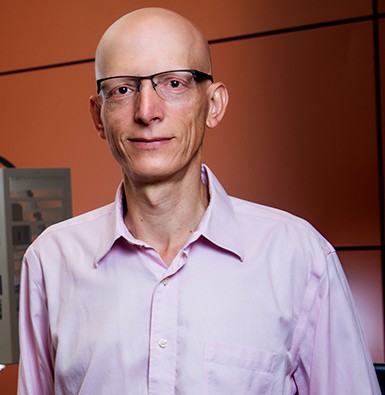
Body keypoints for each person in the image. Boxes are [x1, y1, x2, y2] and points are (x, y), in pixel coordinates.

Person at [17, 7, 381, 395]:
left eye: (174, 84)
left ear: (214, 104)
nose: (146, 111)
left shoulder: (298, 257)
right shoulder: (50, 261)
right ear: (98, 116)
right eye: (122, 89)